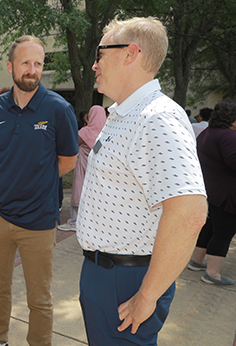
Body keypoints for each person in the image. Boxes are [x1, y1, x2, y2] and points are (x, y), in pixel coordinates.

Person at [77, 17, 207, 345]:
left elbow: (189, 214)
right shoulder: (125, 114)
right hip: (105, 272)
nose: (94, 65)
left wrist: (147, 296)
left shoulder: (157, 118)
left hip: (127, 279)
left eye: (100, 54)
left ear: (130, 54)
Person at [0, 35, 78, 346]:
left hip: (38, 220)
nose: (32, 70)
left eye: (38, 64)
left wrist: (37, 181)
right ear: (10, 66)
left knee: (40, 298)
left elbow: (68, 160)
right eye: (26, 63)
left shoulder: (58, 108)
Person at [188, 100, 236, 285]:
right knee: (223, 233)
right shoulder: (228, 136)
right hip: (226, 196)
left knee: (208, 228)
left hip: (209, 192)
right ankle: (212, 273)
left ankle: (197, 261)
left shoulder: (207, 133)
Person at [58, 105, 106, 232]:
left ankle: (74, 221)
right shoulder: (106, 133)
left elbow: (72, 144)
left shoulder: (85, 132)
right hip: (98, 169)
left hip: (82, 165)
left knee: (79, 189)